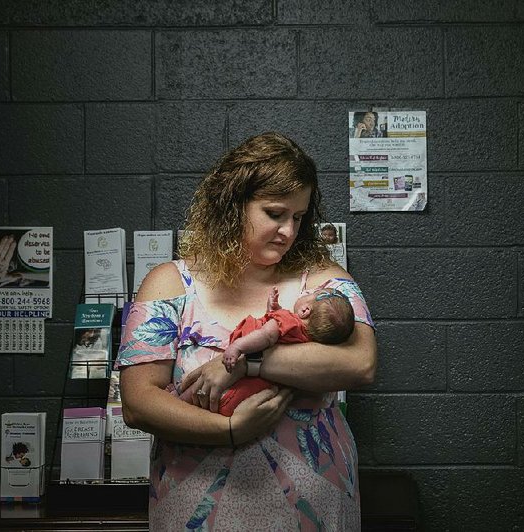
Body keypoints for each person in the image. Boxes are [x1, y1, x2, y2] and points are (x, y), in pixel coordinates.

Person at [116, 132, 376, 530]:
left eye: (299, 217)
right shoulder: (169, 284)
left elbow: (360, 364)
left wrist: (244, 364)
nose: (289, 231)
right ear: (232, 206)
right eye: (275, 213)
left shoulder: (323, 281)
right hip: (198, 503)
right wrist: (231, 429)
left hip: (311, 503)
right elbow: (137, 402)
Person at [175, 285, 355, 417]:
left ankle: (178, 401)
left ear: (305, 310)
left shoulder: (287, 321)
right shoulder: (305, 338)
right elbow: (279, 333)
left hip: (231, 385)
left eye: (310, 294)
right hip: (248, 397)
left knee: (197, 389)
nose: (305, 293)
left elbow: (267, 336)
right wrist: (273, 311)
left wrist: (238, 347)